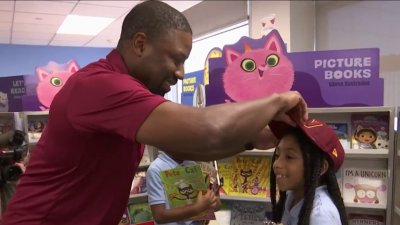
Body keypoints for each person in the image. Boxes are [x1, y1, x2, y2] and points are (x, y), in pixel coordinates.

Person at [2, 1, 308, 225]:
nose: (180, 73)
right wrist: (279, 99)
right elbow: (208, 131)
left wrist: (254, 139)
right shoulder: (100, 86)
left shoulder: (127, 94)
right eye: (175, 59)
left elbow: (189, 147)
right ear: (140, 45)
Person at [267, 118, 348, 225]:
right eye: (277, 155)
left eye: (289, 157)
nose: (277, 164)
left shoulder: (321, 216)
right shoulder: (293, 197)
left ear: (322, 168)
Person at [146, 151, 220, 225]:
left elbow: (214, 204)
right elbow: (159, 216)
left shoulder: (191, 164)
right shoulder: (155, 169)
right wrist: (197, 208)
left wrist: (211, 202)